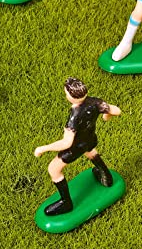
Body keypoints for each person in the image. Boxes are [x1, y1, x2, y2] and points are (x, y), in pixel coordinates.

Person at [34, 77, 120, 216]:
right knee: (91, 152)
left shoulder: (75, 115)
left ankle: (66, 203)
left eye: (66, 94)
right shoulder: (95, 102)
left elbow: (66, 143)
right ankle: (106, 177)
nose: (65, 96)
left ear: (72, 96)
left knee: (53, 169)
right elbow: (116, 111)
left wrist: (43, 148)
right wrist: (106, 116)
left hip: (76, 147)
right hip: (89, 139)